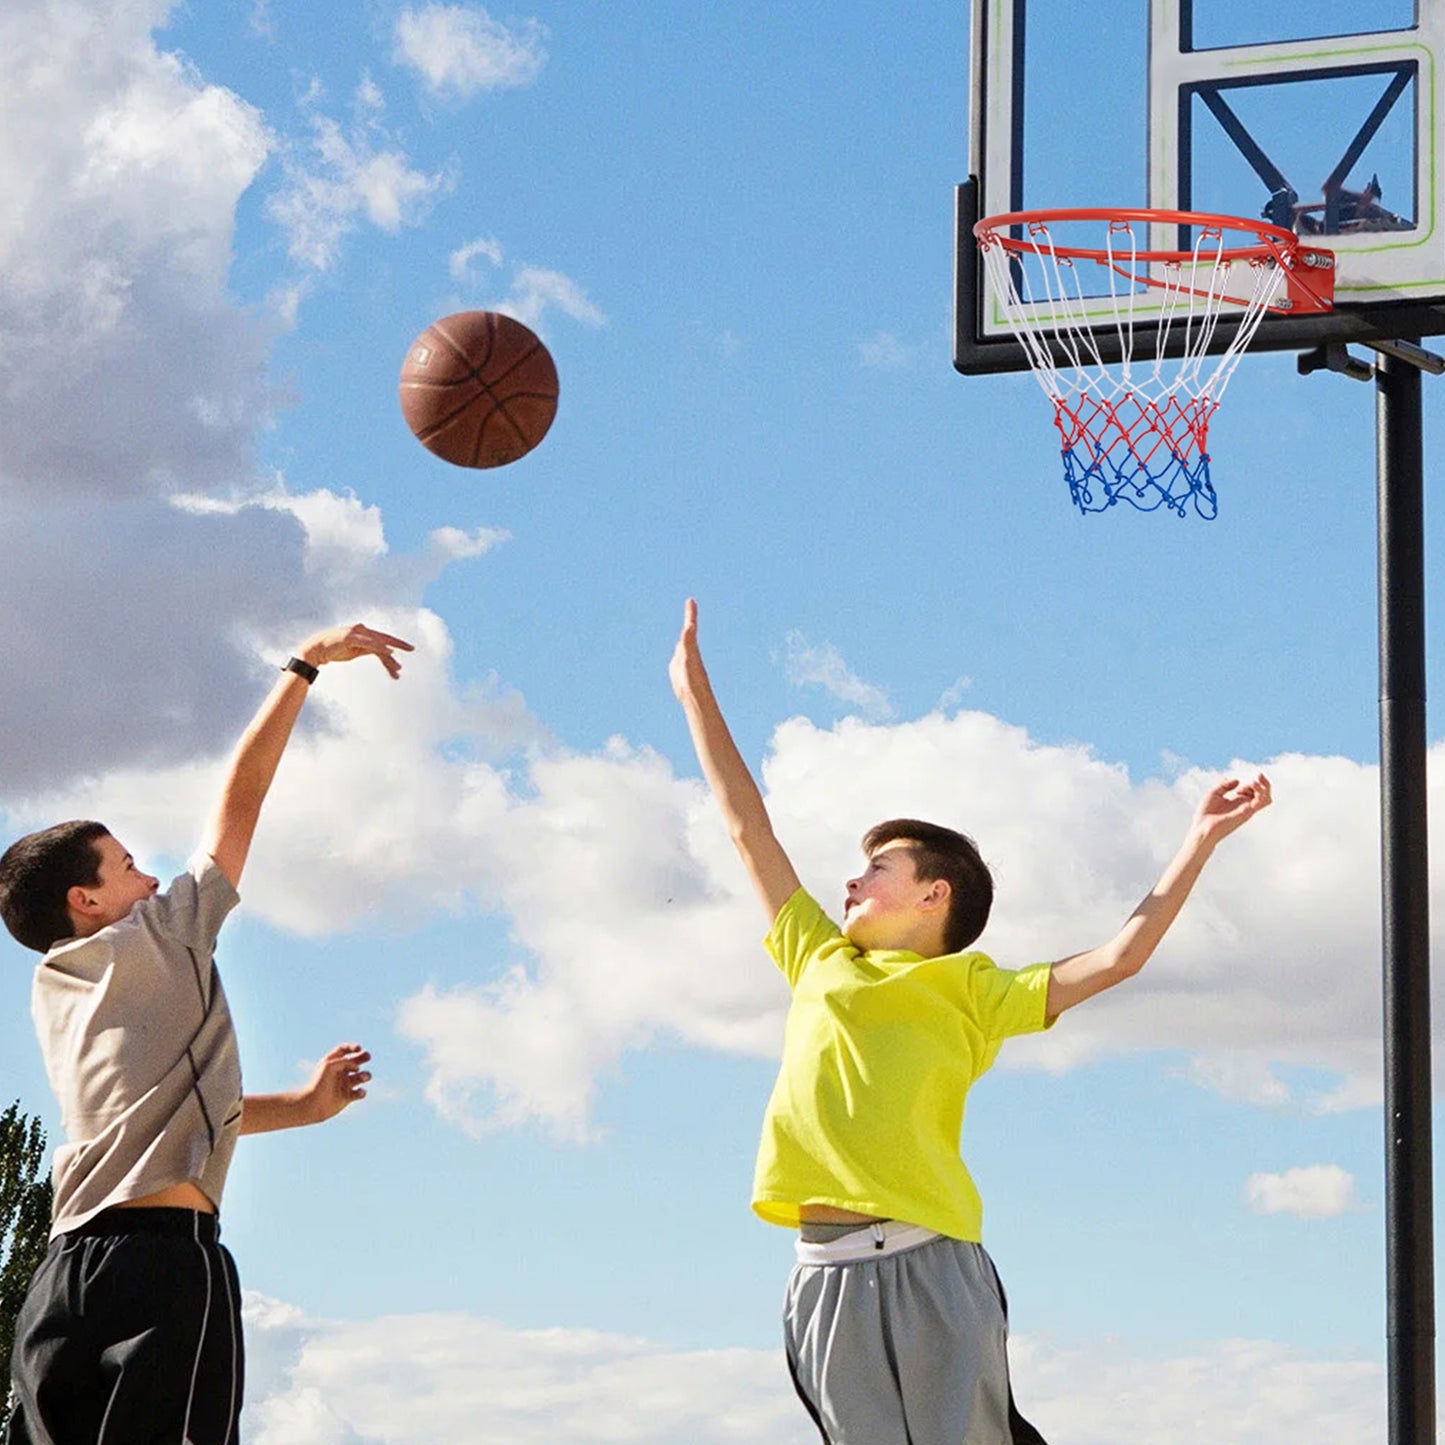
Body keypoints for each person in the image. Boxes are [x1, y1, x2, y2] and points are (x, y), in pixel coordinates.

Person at [668, 598, 1272, 1445]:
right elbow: (746, 826)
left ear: (933, 893)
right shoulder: (816, 955)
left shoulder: (972, 988)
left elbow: (1118, 957)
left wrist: (1199, 838)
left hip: (933, 1260)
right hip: (825, 1269)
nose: (851, 882)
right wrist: (694, 694)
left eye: (877, 867)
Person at [0, 623, 412, 1445]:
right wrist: (304, 665)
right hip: (162, 1265)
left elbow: (167, 1117)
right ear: (86, 899)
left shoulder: (58, 990)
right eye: (127, 866)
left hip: (63, 1277)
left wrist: (301, 1106)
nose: (152, 877)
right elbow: (241, 800)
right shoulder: (160, 932)